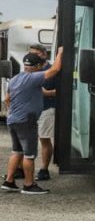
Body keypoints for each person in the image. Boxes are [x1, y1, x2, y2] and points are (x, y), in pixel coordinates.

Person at [2, 47, 63, 194]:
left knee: (16, 151)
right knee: (29, 154)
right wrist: (60, 54)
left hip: (13, 120)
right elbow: (54, 70)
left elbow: (7, 99)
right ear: (38, 67)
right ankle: (29, 185)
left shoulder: (16, 78)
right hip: (26, 121)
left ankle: (9, 181)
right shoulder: (33, 77)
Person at [30, 45, 56, 180]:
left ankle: (44, 169)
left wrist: (48, 93)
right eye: (31, 54)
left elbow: (62, 89)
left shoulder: (52, 70)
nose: (33, 56)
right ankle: (22, 169)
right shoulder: (30, 69)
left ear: (44, 55)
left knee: (44, 139)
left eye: (37, 54)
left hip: (47, 108)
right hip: (30, 110)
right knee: (26, 140)